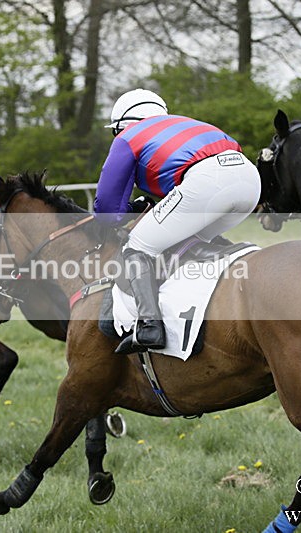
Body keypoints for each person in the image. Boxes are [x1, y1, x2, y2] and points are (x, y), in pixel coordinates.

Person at [94, 88, 261, 354]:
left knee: (137, 246)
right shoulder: (184, 124)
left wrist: (131, 209)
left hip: (208, 182)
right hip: (249, 181)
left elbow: (106, 210)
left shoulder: (129, 135)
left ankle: (150, 326)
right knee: (190, 240)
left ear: (122, 125)